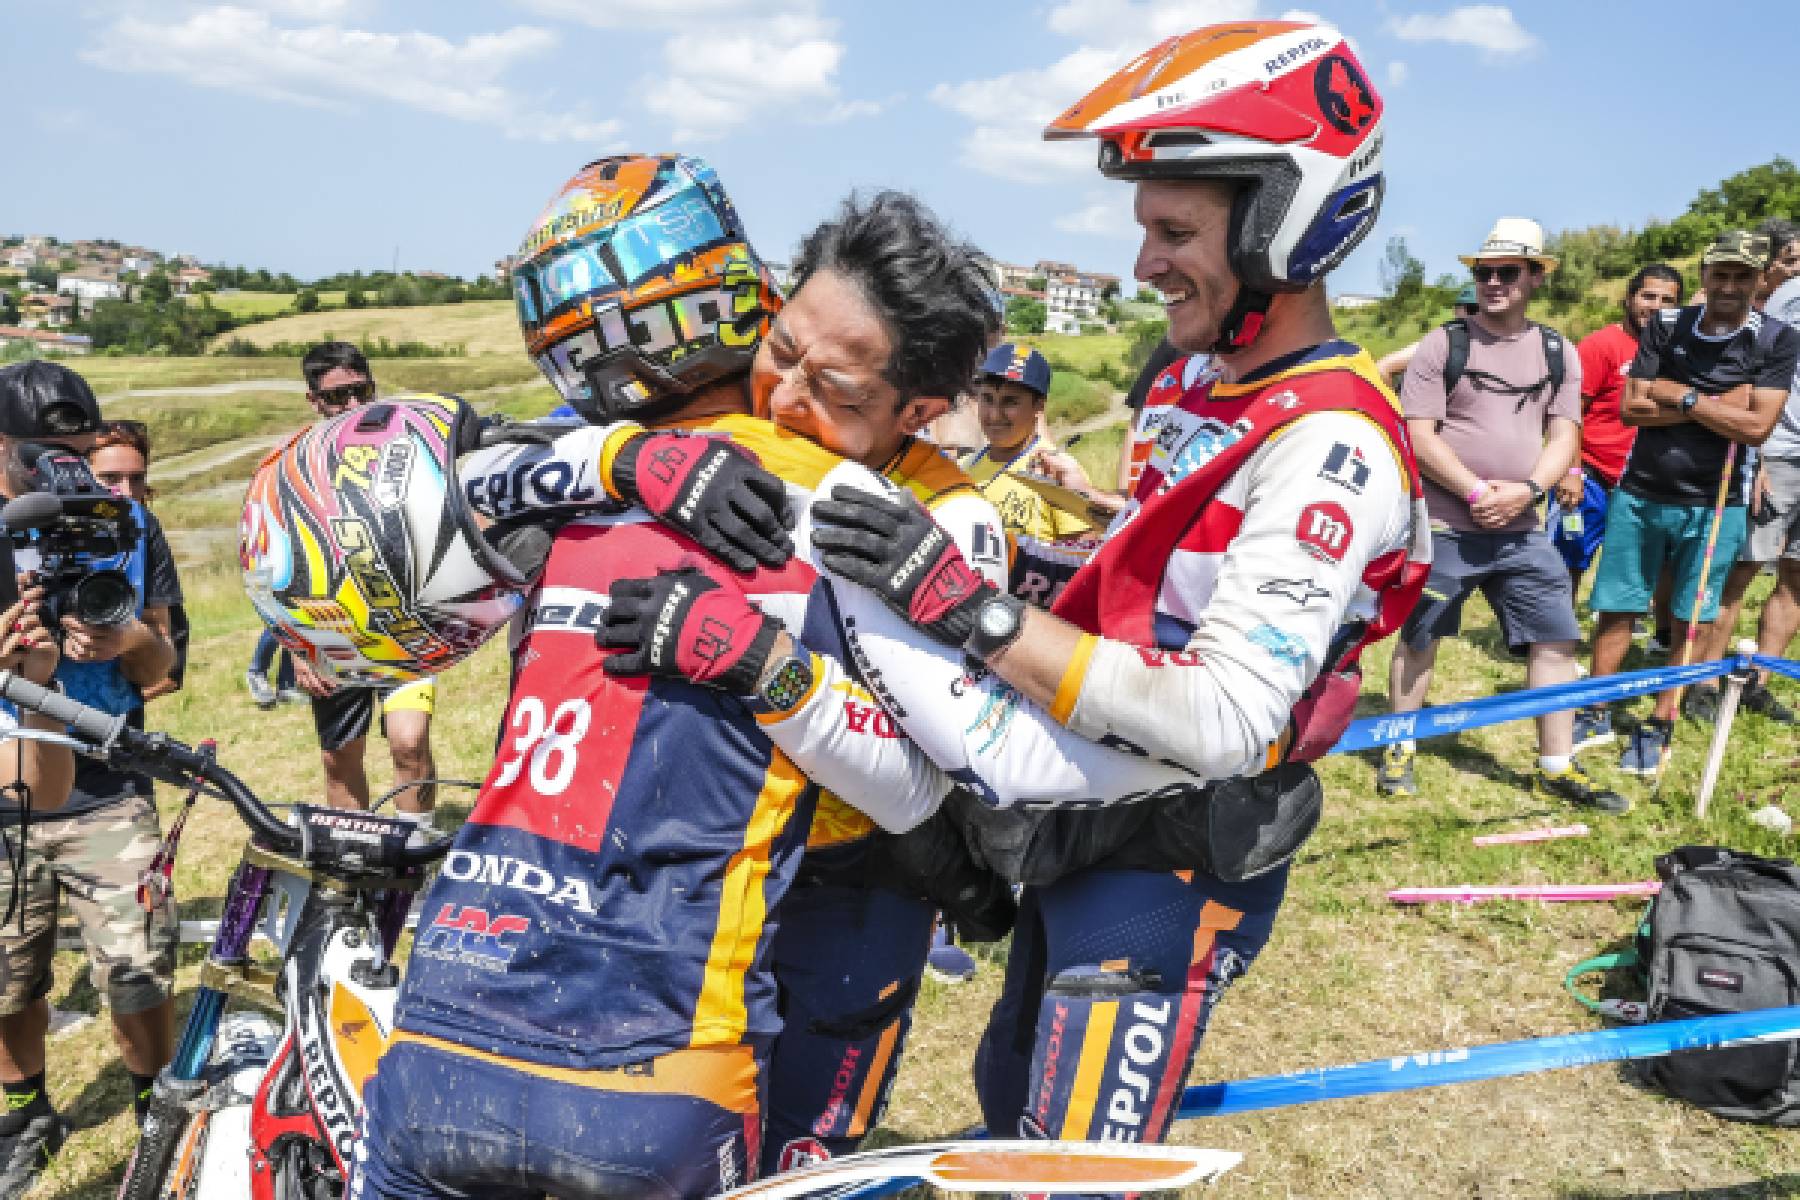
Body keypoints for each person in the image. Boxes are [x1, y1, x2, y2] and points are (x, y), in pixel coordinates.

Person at [620, 20, 1431, 1157]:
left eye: (1175, 232)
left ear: (1286, 224)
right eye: (1145, 228)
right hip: (1085, 820)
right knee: (1010, 1097)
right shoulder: (1193, 383)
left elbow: (1229, 717)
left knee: (1068, 1162)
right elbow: (1147, 591)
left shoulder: (1330, 441)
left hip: (1177, 850)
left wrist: (969, 607)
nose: (1144, 263)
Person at [347, 160, 1009, 1196]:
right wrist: (624, 461)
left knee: (794, 1167)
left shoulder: (948, 516)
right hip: (667, 882)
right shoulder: (683, 427)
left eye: (836, 394)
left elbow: (941, 765)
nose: (783, 397)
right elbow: (468, 478)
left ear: (919, 410)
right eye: (779, 349)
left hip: (850, 880)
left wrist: (763, 667)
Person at [0, 363, 178, 1197]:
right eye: (42, 453)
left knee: (137, 969)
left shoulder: (127, 524)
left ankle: (157, 1114)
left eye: (76, 450)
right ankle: (25, 1113)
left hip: (109, 784)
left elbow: (164, 664)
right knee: (7, 978)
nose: (60, 469)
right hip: (6, 795)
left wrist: (128, 640)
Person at [1378, 217, 1624, 811]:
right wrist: (1474, 493)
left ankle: (1556, 765)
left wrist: (1531, 490)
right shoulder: (1443, 344)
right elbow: (1419, 434)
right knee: (1421, 636)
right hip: (1445, 526)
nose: (1492, 282)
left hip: (1523, 529)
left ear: (1536, 276)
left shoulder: (1558, 351)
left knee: (1555, 638)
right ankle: (1398, 747)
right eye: (1484, 272)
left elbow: (1565, 435)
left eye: (1507, 272)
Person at [1581, 229, 1800, 773]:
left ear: (1759, 281)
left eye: (1742, 276)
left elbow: (1756, 426)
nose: (1729, 285)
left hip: (1716, 499)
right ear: (1704, 274)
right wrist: (1718, 404)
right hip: (1641, 489)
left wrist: (1679, 393)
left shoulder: (1775, 339)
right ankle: (1595, 707)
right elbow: (1631, 408)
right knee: (1618, 607)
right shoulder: (1668, 324)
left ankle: (1662, 720)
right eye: (1720, 274)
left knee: (1691, 617)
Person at [282, 341, 439, 814]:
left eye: (362, 391)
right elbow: (274, 566)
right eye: (337, 397)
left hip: (403, 624)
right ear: (313, 400)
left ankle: (417, 848)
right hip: (331, 631)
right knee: (340, 759)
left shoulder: (405, 451)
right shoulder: (293, 468)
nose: (352, 405)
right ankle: (355, 852)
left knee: (409, 744)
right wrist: (297, 647)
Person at [1686, 221, 1800, 724]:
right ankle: (1703, 681)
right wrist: (1758, 457)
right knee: (1738, 572)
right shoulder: (1786, 293)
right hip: (1779, 450)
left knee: (1797, 577)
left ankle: (1757, 681)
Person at [1550, 266, 1683, 596]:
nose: (1656, 306)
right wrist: (1570, 472)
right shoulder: (1599, 346)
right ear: (1629, 298)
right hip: (1590, 477)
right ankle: (1552, 625)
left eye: (1667, 300)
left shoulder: (1676, 351)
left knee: (1637, 569)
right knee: (1565, 564)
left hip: (1643, 482)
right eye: (1648, 296)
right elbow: (1569, 413)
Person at [86, 420, 187, 703]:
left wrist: (132, 638)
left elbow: (163, 651)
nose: (127, 492)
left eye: (137, 479)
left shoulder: (143, 526)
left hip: (117, 712)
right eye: (110, 479)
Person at [961, 343, 1098, 541]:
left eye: (1010, 402)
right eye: (987, 399)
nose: (995, 415)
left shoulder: (1055, 472)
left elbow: (1084, 549)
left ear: (1039, 406)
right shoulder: (962, 467)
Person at [1375, 283, 1480, 388]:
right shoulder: (1442, 341)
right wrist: (1390, 399)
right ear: (1455, 310)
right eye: (1473, 309)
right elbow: (1383, 368)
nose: (1479, 316)